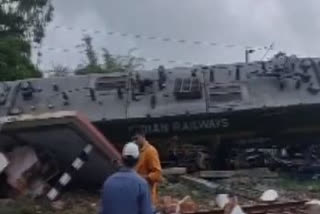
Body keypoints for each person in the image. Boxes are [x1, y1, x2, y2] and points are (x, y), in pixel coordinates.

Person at [101, 142, 153, 214]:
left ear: (122, 159)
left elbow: (103, 210)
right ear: (138, 160)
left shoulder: (108, 182)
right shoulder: (141, 184)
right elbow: (146, 212)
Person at [131, 126, 162, 205]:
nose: (134, 141)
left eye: (136, 138)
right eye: (133, 139)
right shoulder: (136, 151)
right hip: (137, 193)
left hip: (147, 195)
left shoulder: (150, 151)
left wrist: (142, 177)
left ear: (142, 136)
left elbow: (158, 174)